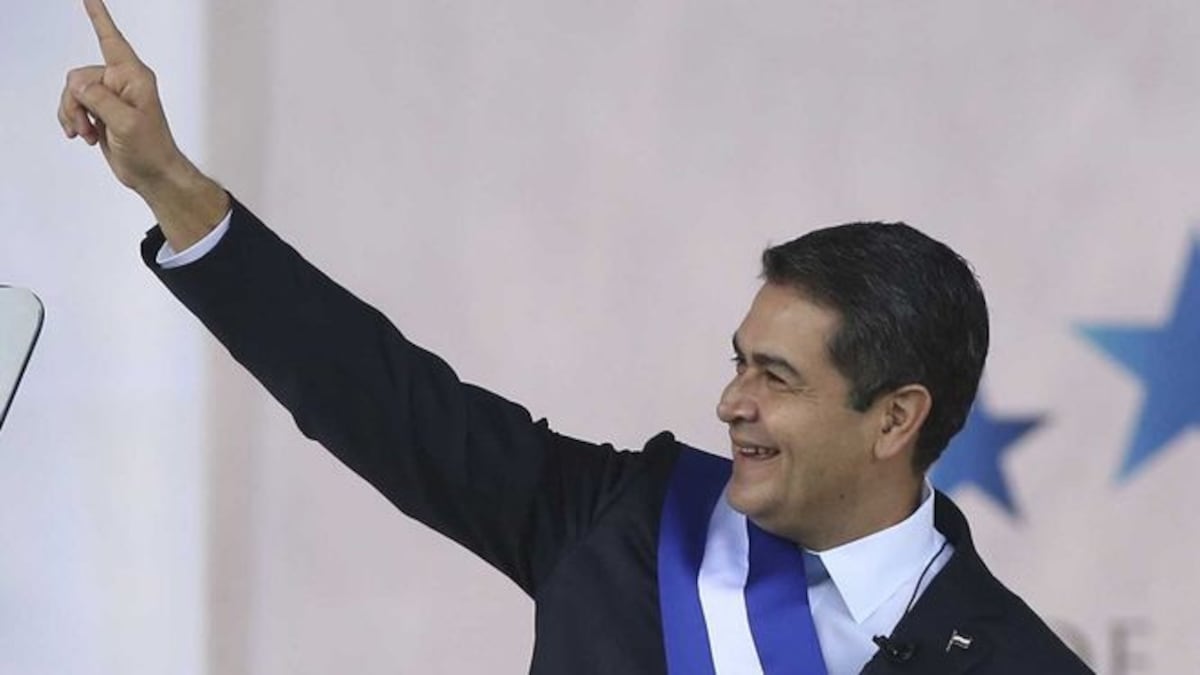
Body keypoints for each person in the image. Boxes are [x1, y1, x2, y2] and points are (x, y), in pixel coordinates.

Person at [59, 1, 1093, 673]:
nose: (731, 402)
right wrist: (170, 185)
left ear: (895, 419)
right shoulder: (626, 519)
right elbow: (377, 397)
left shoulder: (1017, 661)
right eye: (738, 362)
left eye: (776, 377)